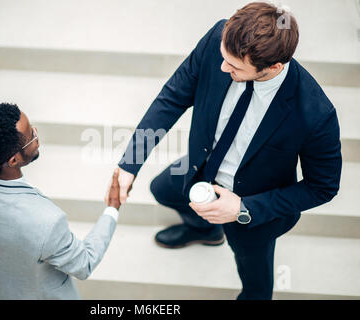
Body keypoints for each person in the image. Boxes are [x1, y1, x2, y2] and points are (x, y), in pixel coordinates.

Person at [105, 2, 342, 300]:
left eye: (234, 67)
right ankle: (205, 230)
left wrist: (243, 209)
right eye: (223, 58)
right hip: (200, 167)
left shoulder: (316, 114)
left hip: (253, 206)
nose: (222, 68)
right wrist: (130, 164)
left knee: (255, 286)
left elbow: (323, 187)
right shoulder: (220, 37)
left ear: (273, 67)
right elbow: (172, 97)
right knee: (162, 189)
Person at [0, 103, 122, 299]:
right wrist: (112, 208)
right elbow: (84, 264)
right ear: (13, 161)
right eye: (32, 137)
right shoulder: (45, 221)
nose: (37, 134)